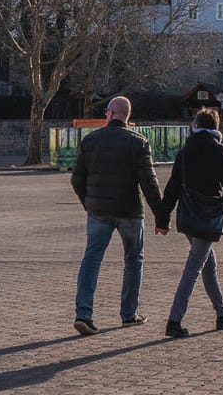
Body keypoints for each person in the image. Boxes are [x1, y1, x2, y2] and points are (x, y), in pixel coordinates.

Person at [70, 95, 163, 336]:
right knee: (133, 259)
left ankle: (84, 313)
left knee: (91, 259)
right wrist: (161, 216)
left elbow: (77, 178)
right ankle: (128, 313)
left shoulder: (90, 141)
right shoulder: (138, 142)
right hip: (129, 210)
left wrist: (88, 204)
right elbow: (149, 183)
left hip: (98, 211)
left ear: (110, 114)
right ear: (127, 116)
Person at [154, 107, 223, 338]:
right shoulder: (221, 151)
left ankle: (222, 313)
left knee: (207, 264)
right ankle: (174, 320)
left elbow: (172, 188)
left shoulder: (184, 151)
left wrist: (162, 218)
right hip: (208, 218)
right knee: (193, 269)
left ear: (196, 126)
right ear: (215, 127)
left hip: (188, 216)